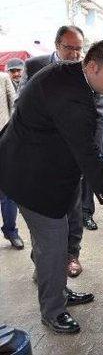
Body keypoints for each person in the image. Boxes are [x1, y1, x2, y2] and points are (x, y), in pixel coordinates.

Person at [0, 40, 103, 334]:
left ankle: (56, 287)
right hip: (31, 177)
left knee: (63, 235)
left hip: (54, 170)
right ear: (91, 67)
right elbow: (87, 152)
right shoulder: (69, 94)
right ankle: (53, 310)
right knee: (53, 242)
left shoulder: (75, 77)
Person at [18, 25, 89, 277]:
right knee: (46, 221)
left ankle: (71, 256)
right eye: (69, 48)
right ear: (57, 45)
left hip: (72, 158)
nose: (74, 54)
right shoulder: (35, 65)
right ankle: (44, 267)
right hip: (39, 160)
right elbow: (21, 106)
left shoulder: (86, 70)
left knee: (73, 212)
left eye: (79, 49)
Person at [0, 71, 22, 249]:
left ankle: (11, 230)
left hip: (3, 141)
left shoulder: (3, 78)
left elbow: (15, 107)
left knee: (8, 192)